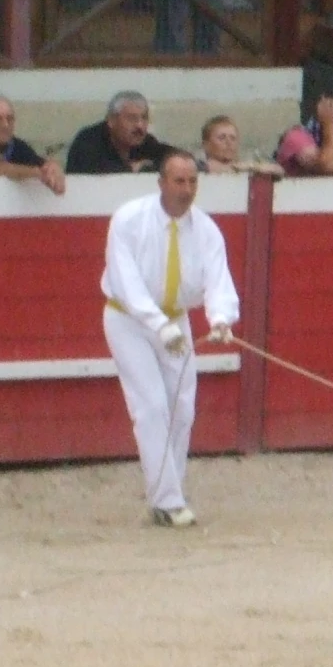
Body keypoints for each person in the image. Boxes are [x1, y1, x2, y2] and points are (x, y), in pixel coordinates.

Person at [100, 151, 239, 527]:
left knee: (182, 408)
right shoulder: (129, 220)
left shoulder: (206, 229)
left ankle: (169, 490)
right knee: (150, 406)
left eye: (193, 181)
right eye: (179, 181)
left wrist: (221, 318)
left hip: (176, 321)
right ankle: (167, 500)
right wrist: (158, 325)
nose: (187, 189)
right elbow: (126, 282)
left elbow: (218, 279)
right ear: (161, 182)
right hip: (129, 320)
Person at [68, 92, 173, 175]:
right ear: (111, 121)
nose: (140, 125)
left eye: (144, 118)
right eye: (132, 118)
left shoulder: (145, 141)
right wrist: (130, 169)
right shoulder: (88, 140)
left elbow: (175, 158)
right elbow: (92, 172)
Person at [0, 95, 65, 193]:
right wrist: (39, 173)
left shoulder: (18, 146)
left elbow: (38, 162)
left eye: (10, 119)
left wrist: (52, 167)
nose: (5, 125)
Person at [198, 115, 277, 177]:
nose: (228, 142)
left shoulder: (245, 168)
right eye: (222, 138)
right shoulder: (198, 167)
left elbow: (278, 170)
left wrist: (250, 167)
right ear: (206, 144)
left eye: (233, 138)